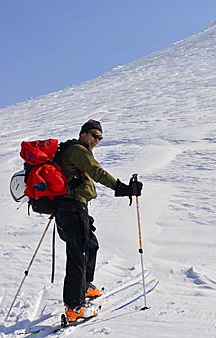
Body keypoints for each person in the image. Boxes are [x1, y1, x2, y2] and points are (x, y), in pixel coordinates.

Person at [55, 119, 142, 322]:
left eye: (100, 138)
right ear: (83, 133)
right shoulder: (78, 150)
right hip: (72, 206)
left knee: (90, 245)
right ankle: (74, 307)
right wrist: (122, 188)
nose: (97, 140)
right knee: (78, 254)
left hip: (76, 207)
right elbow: (97, 172)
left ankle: (84, 287)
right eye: (94, 135)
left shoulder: (76, 151)